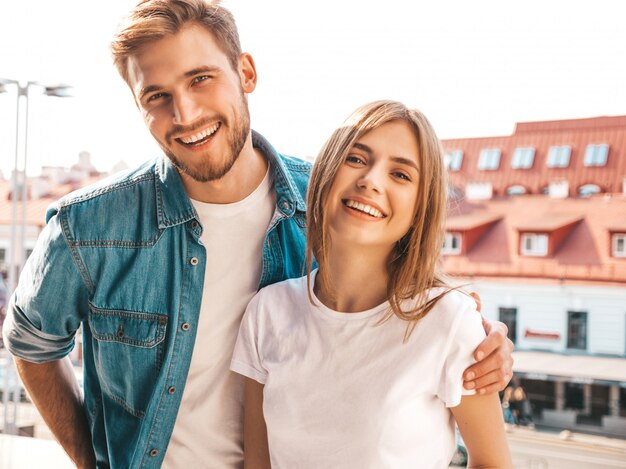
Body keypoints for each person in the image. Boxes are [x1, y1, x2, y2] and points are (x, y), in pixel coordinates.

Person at [2, 1, 513, 468]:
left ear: (245, 72)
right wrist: (90, 463)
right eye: (157, 96)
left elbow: (407, 293)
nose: (186, 115)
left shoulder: (329, 199)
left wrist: (483, 342)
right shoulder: (89, 227)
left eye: (201, 79)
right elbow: (30, 344)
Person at [231, 101, 513, 468]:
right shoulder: (266, 312)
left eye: (401, 175)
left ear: (418, 211)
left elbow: (493, 463)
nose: (371, 181)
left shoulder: (450, 321)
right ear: (327, 173)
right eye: (357, 159)